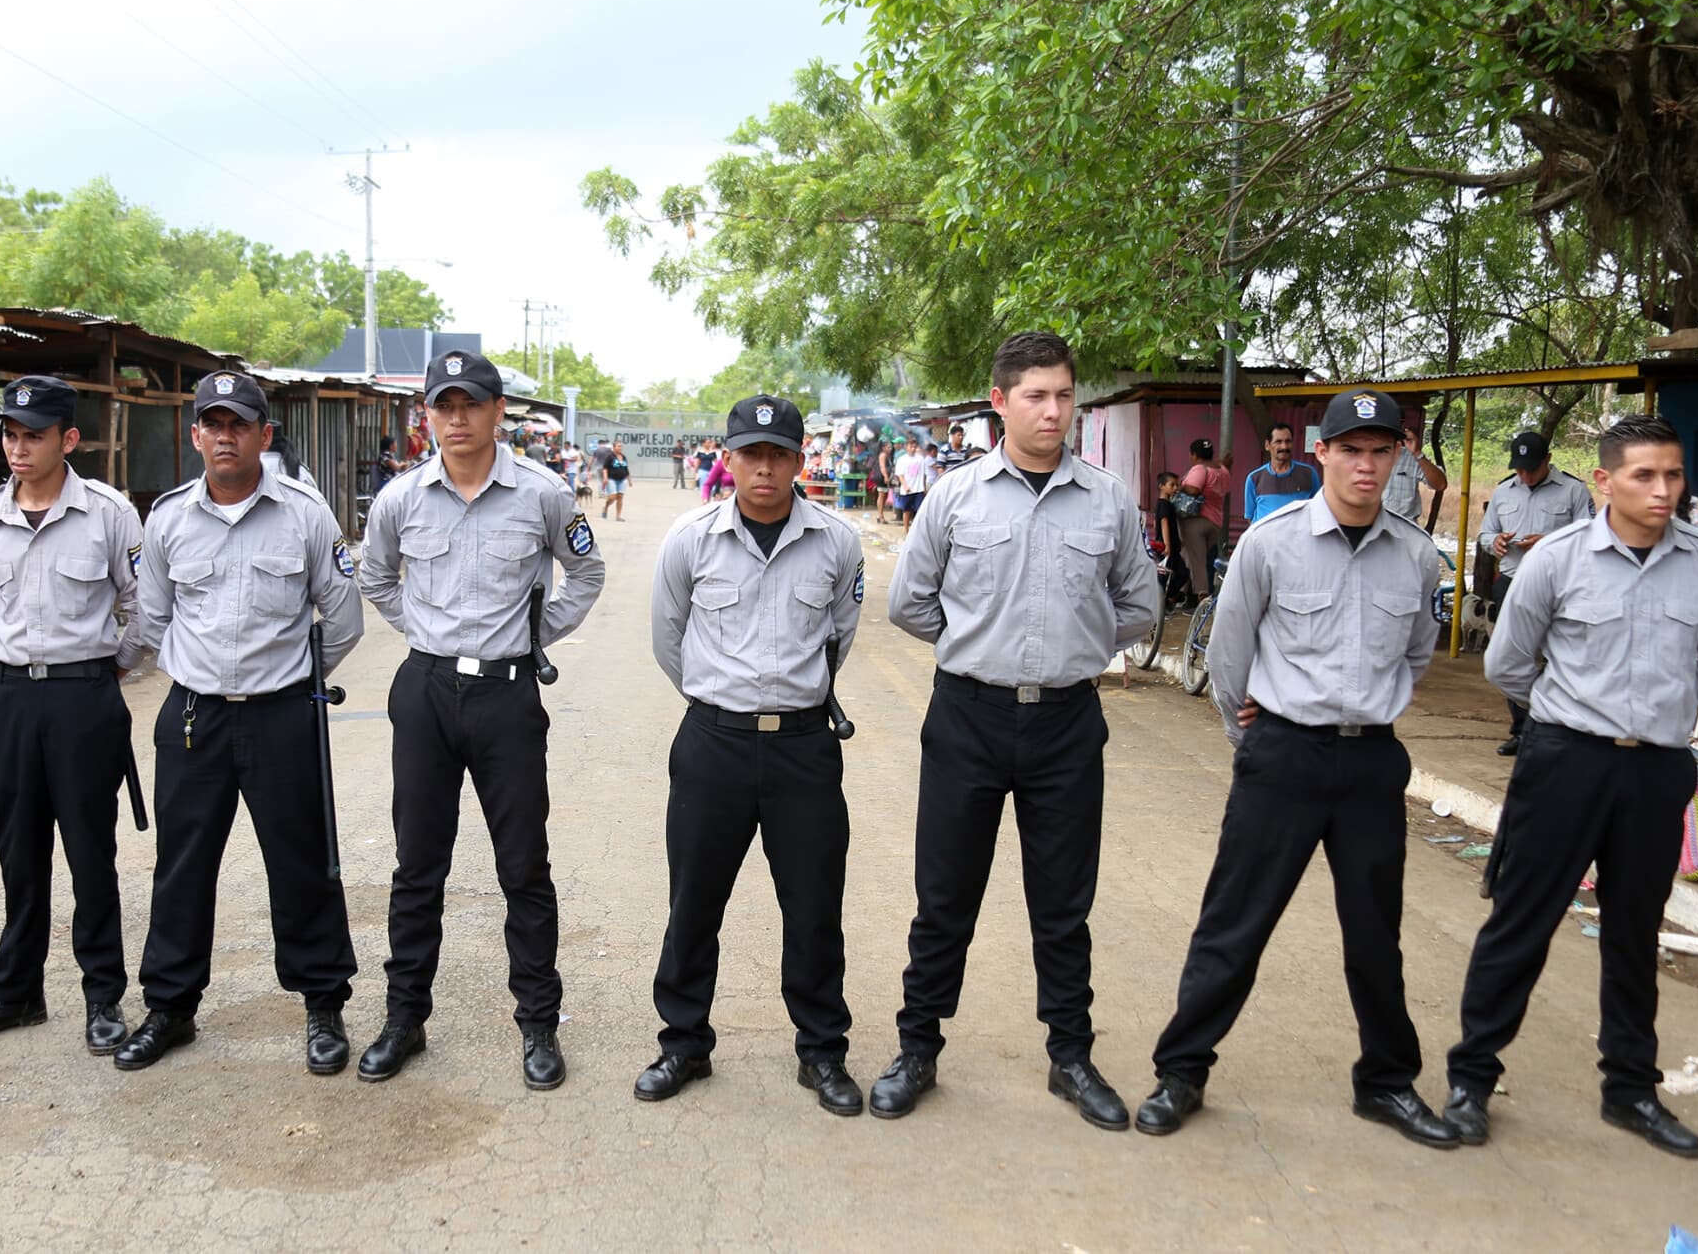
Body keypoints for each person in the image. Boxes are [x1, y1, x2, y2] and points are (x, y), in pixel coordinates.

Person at [1134, 388, 1458, 1148]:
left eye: (1382, 451)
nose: (1366, 466)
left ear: (1397, 458)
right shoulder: (1273, 542)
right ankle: (1181, 1069)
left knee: (1375, 932)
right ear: (1322, 454)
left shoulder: (1416, 555)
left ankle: (1386, 1080)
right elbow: (1228, 651)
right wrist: (1253, 734)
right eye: (1351, 450)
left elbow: (1415, 654)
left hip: (1372, 761)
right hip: (1281, 754)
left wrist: (1368, 709)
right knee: (1234, 924)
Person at [873, 331, 1158, 1127]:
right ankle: (917, 1047)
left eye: (1065, 394)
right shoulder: (956, 496)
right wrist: (979, 645)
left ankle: (1071, 1055)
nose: (1053, 410)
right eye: (1036, 395)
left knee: (1063, 904)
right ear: (999, 402)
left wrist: (1073, 646)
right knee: (945, 896)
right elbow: (910, 602)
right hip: (968, 716)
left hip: (1068, 721)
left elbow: (1139, 604)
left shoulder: (1106, 499)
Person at [1443, 415, 1698, 1159]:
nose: (1664, 489)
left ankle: (1631, 1088)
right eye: (1645, 475)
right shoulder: (1558, 560)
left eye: (1673, 474)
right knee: (1523, 919)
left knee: (1635, 932)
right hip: (1564, 762)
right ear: (1604, 480)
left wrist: (1650, 712)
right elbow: (1508, 663)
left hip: (1657, 769)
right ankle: (1471, 1078)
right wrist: (1574, 712)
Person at [356, 349, 606, 1089]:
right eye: (444, 405)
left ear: (500, 412)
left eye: (471, 404)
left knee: (523, 866)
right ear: (427, 414)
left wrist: (535, 636)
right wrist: (424, 633)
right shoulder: (402, 498)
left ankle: (538, 1023)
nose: (457, 418)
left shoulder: (543, 493)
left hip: (507, 695)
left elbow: (586, 570)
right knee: (417, 866)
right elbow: (375, 575)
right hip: (426, 691)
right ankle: (405, 1017)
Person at [115, 370, 365, 1074]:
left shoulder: (306, 515)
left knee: (303, 863)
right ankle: (169, 1006)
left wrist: (285, 680)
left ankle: (323, 1003)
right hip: (194, 717)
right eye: (212, 423)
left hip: (284, 714)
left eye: (239, 424)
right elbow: (153, 619)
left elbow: (341, 621)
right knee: (182, 866)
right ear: (195, 434)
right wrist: (200, 675)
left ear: (263, 434)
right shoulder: (166, 519)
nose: (225, 436)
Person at [639, 394, 866, 1114]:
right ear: (727, 457)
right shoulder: (691, 538)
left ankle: (822, 1052)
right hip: (713, 744)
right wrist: (719, 701)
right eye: (751, 453)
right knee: (694, 900)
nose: (764, 467)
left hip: (804, 747)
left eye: (779, 453)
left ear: (801, 460)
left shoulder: (836, 541)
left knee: (813, 906)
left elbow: (840, 634)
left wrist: (790, 698)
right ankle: (682, 1043)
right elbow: (667, 638)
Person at [0, 376, 145, 1054]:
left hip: (83, 697)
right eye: (10, 433)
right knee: (17, 848)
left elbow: (143, 604)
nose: (19, 447)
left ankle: (103, 997)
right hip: (9, 698)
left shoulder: (109, 513)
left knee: (92, 851)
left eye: (34, 434)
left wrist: (111, 668)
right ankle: (17, 991)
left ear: (69, 438)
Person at [1477, 432, 1593, 755]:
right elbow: (1485, 532)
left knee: (1557, 654)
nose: (1524, 475)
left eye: (1531, 468)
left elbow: (1591, 538)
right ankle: (1522, 731)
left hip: (1560, 587)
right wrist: (1495, 542)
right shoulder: (1503, 491)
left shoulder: (1573, 490)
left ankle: (1557, 726)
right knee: (1512, 657)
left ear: (1548, 460)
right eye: (1519, 469)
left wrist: (1550, 543)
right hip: (1512, 583)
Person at [1178, 438, 1232, 598]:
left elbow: (1194, 489)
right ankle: (1183, 592)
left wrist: (1178, 487)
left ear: (1193, 455)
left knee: (1197, 560)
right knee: (1191, 555)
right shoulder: (1223, 470)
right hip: (1215, 522)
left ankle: (1202, 596)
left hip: (1196, 521)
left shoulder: (1199, 469)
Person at [1241, 423, 1321, 525]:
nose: (1284, 446)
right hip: (1266, 539)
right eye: (1278, 442)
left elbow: (1317, 509)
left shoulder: (1308, 474)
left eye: (1288, 441)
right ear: (1267, 445)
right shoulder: (1254, 479)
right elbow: (1250, 517)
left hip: (1297, 539)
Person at [1383, 424, 1448, 524]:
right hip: (1372, 527)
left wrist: (1417, 453)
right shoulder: (1364, 458)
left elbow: (1440, 484)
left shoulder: (1412, 457)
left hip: (1405, 528)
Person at [1153, 472, 1193, 607]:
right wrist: (1167, 545)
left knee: (1182, 573)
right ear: (1161, 486)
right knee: (1168, 577)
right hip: (1167, 549)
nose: (1175, 488)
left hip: (1172, 547)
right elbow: (1164, 524)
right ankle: (1161, 604)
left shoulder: (1165, 504)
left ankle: (1167, 601)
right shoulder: (1164, 504)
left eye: (1177, 485)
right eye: (1172, 485)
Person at [893, 436, 929, 532]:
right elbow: (900, 475)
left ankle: (917, 530)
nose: (913, 449)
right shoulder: (902, 459)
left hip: (919, 488)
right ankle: (906, 529)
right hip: (907, 489)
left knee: (919, 510)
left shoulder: (920, 459)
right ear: (906, 447)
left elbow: (923, 474)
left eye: (914, 447)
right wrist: (905, 486)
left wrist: (924, 487)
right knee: (907, 510)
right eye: (911, 447)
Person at [602, 440, 632, 521]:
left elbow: (626, 469)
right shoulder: (610, 456)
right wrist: (605, 478)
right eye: (618, 446)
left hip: (622, 479)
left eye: (621, 446)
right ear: (614, 447)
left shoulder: (623, 457)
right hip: (612, 479)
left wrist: (629, 480)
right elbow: (605, 468)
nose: (620, 448)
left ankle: (618, 516)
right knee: (613, 497)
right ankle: (606, 507)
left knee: (620, 497)